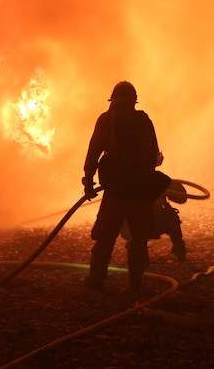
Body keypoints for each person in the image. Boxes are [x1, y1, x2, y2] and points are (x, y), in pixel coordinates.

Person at [82, 81, 171, 292]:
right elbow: (153, 156)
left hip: (116, 189)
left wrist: (88, 182)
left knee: (105, 237)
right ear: (134, 101)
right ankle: (135, 283)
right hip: (141, 189)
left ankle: (96, 280)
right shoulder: (143, 120)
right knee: (139, 239)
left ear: (113, 99)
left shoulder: (106, 120)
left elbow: (93, 152)